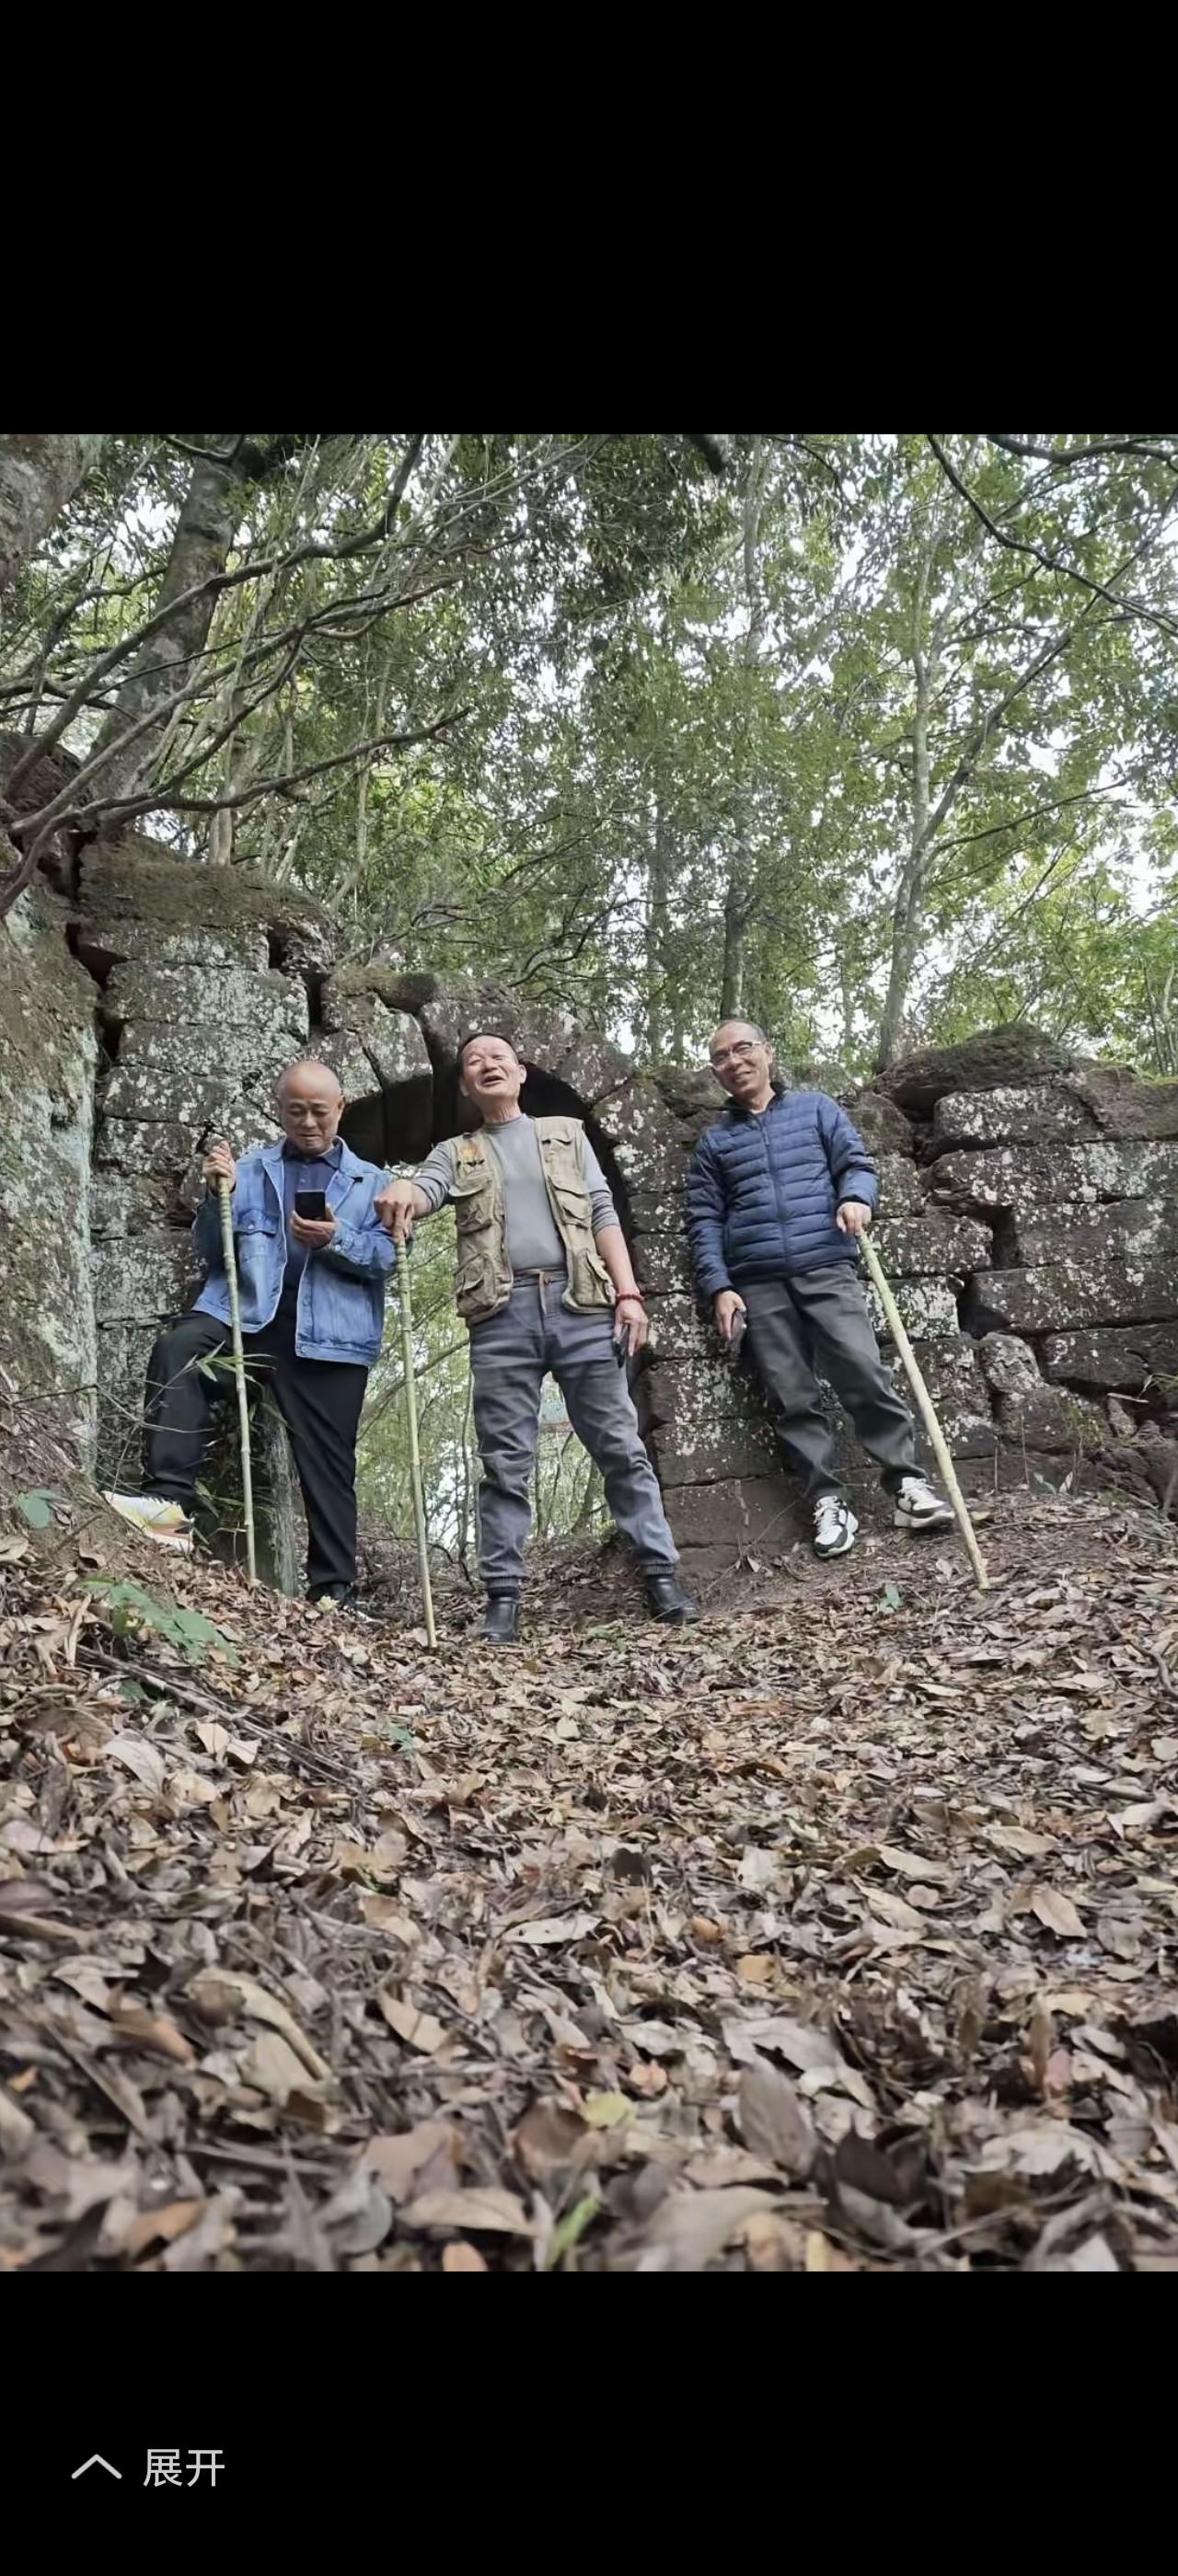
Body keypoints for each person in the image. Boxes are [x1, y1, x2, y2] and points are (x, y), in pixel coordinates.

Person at [375, 1030, 698, 1640]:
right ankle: (503, 1602)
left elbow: (602, 1213)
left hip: (582, 1304)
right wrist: (402, 1192)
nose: (487, 1065)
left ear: (520, 1073)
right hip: (502, 1314)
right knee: (505, 1463)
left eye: (498, 1057)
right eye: (474, 1063)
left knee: (621, 1448)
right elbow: (424, 1191)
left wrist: (629, 1294)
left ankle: (660, 1577)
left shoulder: (567, 1134)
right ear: (467, 1086)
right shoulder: (456, 1150)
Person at [104, 1060, 395, 1608]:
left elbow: (386, 1259)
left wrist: (336, 1238)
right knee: (179, 1348)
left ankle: (334, 1590)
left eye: (319, 1111)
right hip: (247, 1318)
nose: (308, 1123)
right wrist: (220, 1196)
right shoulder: (253, 1169)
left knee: (330, 1460)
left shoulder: (376, 1184)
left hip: (329, 1338)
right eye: (296, 1111)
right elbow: (215, 1255)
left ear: (341, 1108)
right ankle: (170, 1505)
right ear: (279, 1109)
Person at [686, 1019, 953, 1559]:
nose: (734, 1061)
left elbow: (856, 1164)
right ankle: (827, 1501)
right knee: (793, 1397)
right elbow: (704, 1221)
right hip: (758, 1283)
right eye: (721, 1057)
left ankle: (905, 1483)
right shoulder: (715, 1144)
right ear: (715, 1072)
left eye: (743, 1049)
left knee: (863, 1371)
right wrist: (719, 1287)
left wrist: (857, 1198)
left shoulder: (817, 1110)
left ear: (767, 1052)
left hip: (827, 1264)